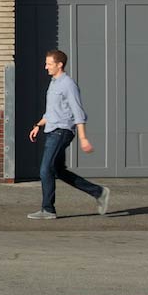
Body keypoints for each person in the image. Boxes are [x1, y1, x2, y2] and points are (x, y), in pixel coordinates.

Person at [27, 48, 110, 220]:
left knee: (45, 170)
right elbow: (51, 112)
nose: (45, 67)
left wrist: (83, 138)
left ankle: (48, 209)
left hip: (62, 131)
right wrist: (38, 125)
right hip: (52, 129)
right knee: (58, 171)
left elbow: (78, 112)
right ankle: (99, 192)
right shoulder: (54, 83)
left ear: (59, 65)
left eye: (49, 64)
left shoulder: (68, 84)